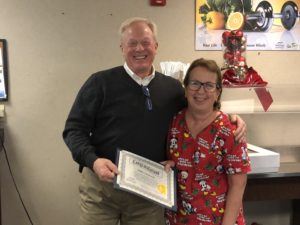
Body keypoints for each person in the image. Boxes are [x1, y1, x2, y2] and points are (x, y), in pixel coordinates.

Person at [62, 17, 246, 225]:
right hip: (102, 191)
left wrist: (230, 118)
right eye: (132, 43)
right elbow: (73, 130)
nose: (139, 48)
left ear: (156, 46)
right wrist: (93, 161)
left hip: (148, 194)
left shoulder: (173, 89)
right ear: (122, 47)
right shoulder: (99, 83)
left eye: (146, 42)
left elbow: (199, 109)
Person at [164, 58, 251, 225]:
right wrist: (170, 165)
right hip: (179, 219)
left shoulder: (230, 130)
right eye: (195, 83)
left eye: (209, 85)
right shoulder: (176, 122)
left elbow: (238, 186)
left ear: (218, 92)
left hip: (218, 220)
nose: (201, 91)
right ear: (186, 87)